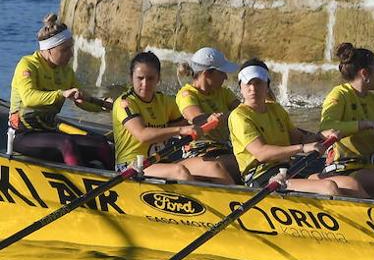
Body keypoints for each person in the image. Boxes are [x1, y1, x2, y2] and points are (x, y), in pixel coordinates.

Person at [227, 59, 348, 196]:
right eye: (248, 83)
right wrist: (302, 148)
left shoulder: (276, 109)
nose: (253, 89)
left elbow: (298, 137)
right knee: (329, 187)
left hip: (288, 169)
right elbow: (261, 153)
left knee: (345, 182)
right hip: (261, 177)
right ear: (241, 87)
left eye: (258, 83)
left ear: (267, 86)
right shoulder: (239, 116)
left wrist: (320, 136)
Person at [7, 13, 113, 168]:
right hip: (23, 135)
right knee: (66, 143)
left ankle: (121, 184)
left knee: (101, 143)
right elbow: (29, 98)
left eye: (71, 48)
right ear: (49, 50)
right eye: (65, 50)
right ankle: (81, 185)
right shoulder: (28, 65)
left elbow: (82, 101)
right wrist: (61, 94)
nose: (70, 54)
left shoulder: (66, 72)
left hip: (49, 133)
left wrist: (104, 105)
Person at [112, 52, 233, 184]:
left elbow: (195, 121)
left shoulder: (165, 101)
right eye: (140, 78)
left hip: (161, 162)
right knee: (180, 172)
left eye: (151, 78)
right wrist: (180, 130)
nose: (145, 84)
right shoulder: (125, 103)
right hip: (132, 166)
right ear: (131, 78)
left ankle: (235, 203)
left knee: (212, 167)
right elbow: (142, 134)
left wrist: (211, 119)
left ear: (159, 79)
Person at [319, 43, 374, 200]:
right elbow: (326, 128)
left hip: (368, 169)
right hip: (342, 171)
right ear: (365, 73)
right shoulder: (339, 95)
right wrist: (363, 125)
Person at [176, 46, 242, 182]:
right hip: (198, 153)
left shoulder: (224, 93)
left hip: (223, 149)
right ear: (207, 74)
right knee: (241, 162)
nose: (226, 77)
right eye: (222, 72)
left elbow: (245, 112)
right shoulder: (186, 95)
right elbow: (198, 120)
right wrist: (227, 116)